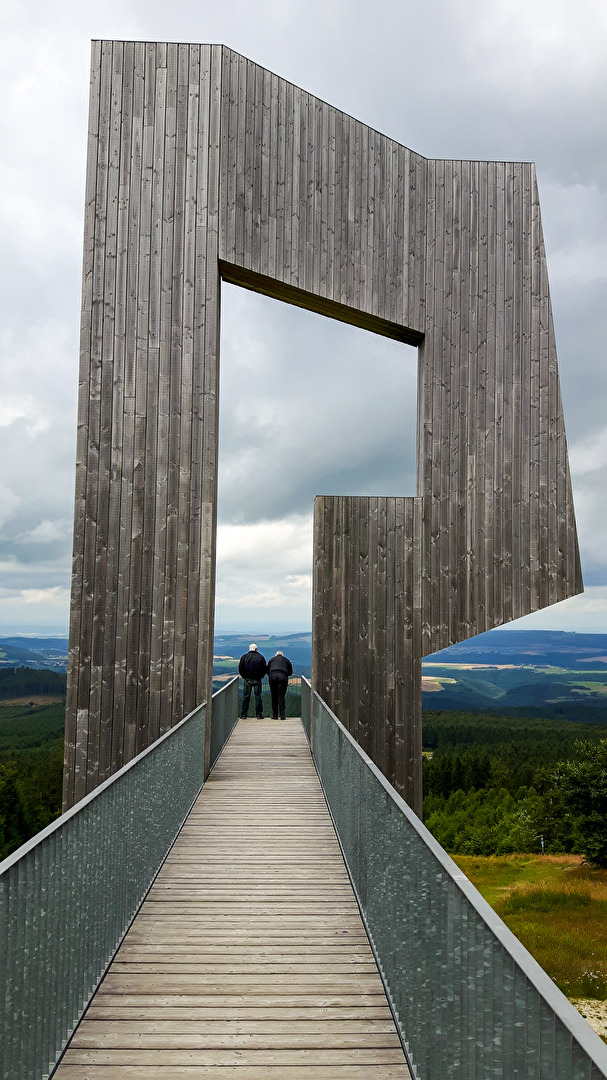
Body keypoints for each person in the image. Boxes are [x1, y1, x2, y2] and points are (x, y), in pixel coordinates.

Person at [238, 643, 267, 719]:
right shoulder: (260, 657)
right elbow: (264, 668)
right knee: (258, 697)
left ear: (249, 649)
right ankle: (259, 714)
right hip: (257, 679)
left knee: (246, 697)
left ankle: (243, 714)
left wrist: (244, 676)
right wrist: (261, 676)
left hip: (247, 679)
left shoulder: (244, 657)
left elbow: (240, 668)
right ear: (256, 649)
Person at [266, 650, 293, 720]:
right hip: (283, 676)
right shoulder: (286, 660)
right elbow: (290, 672)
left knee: (274, 695)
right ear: (282, 655)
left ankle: (274, 715)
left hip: (272, 675)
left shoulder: (271, 659)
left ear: (276, 655)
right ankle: (282, 715)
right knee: (281, 695)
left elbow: (267, 671)